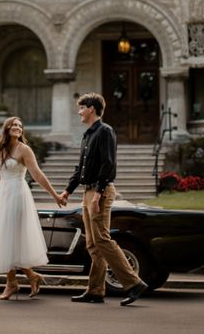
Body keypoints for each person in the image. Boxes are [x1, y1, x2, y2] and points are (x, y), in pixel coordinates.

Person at [59, 92, 148, 306]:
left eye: (81, 108)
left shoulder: (105, 131)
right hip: (88, 192)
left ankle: (134, 283)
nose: (79, 112)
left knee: (102, 239)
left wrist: (98, 194)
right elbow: (81, 168)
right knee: (92, 244)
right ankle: (96, 290)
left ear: (91, 108)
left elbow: (108, 164)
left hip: (101, 191)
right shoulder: (88, 134)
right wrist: (68, 190)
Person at [0, 116, 63, 300]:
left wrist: (55, 195)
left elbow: (37, 174)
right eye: (14, 125)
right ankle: (27, 277)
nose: (17, 128)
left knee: (13, 237)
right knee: (6, 238)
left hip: (18, 195)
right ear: (7, 128)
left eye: (20, 126)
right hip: (4, 196)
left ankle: (13, 283)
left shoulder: (24, 149)